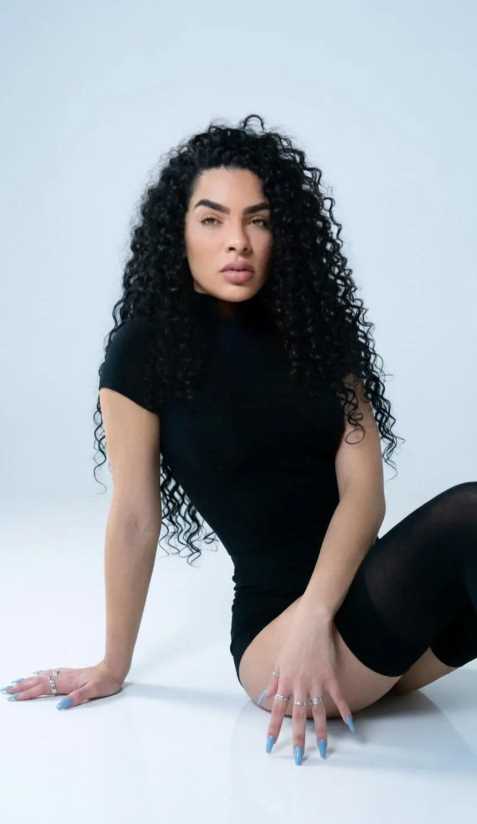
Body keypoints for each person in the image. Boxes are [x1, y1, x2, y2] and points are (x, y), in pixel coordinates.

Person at [4, 114, 476, 767]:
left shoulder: (318, 336)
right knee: (470, 511)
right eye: (212, 219)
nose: (238, 241)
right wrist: (113, 664)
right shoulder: (144, 352)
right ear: (178, 232)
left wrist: (319, 614)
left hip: (366, 617)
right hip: (277, 644)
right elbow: (135, 517)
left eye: (258, 220)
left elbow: (363, 497)